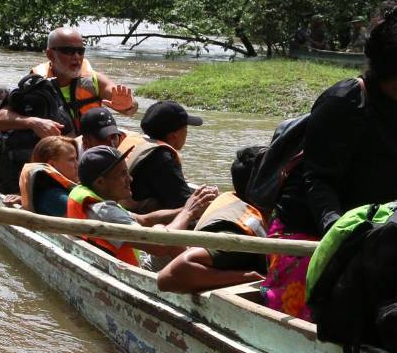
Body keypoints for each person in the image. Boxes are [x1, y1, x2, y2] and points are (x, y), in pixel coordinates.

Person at [264, 0, 397, 320]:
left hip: (373, 239)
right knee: (325, 315)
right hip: (310, 232)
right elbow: (317, 180)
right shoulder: (345, 102)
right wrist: (337, 234)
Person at [66, 146, 216, 270]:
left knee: (161, 228)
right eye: (122, 174)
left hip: (136, 261)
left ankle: (203, 270)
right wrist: (188, 212)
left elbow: (144, 220)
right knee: (164, 234)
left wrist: (194, 207)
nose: (130, 179)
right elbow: (160, 246)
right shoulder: (104, 212)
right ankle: (206, 276)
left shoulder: (100, 198)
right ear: (100, 182)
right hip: (135, 272)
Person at [156, 146, 269, 294]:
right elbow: (170, 276)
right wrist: (247, 278)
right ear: (263, 189)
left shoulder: (242, 203)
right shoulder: (236, 231)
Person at [0, 28, 138, 137]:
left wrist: (128, 105)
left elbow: (131, 107)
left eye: (80, 51)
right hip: (57, 152)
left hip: (90, 149)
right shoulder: (34, 84)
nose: (76, 57)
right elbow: (1, 118)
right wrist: (33, 122)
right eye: (68, 51)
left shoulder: (95, 80)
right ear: (50, 55)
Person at [117, 100, 206, 212]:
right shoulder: (161, 158)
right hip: (138, 217)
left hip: (122, 206)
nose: (187, 133)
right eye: (186, 128)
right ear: (174, 136)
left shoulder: (138, 143)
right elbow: (185, 204)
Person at [18, 136, 79, 217]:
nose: (77, 164)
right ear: (52, 165)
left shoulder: (46, 191)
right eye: (71, 160)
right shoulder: (53, 196)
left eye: (76, 159)